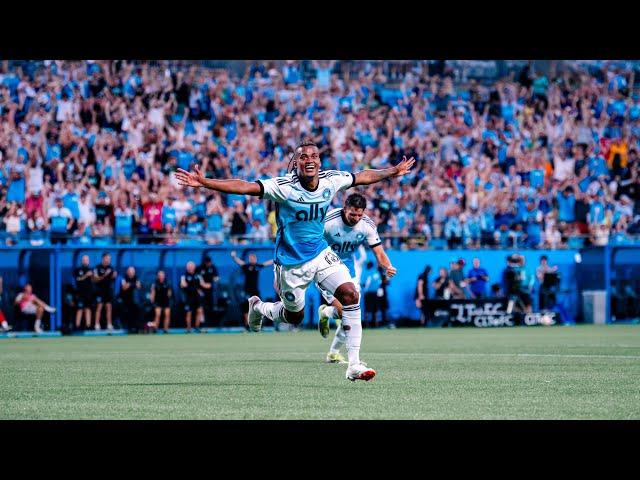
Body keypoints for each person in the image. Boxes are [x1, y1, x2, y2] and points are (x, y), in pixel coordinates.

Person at [175, 140, 414, 381]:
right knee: (294, 317)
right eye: (303, 157)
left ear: (319, 161)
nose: (309, 160)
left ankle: (353, 364)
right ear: (296, 163)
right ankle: (258, 307)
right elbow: (245, 187)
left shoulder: (331, 180)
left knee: (351, 295)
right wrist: (205, 182)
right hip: (291, 263)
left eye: (314, 156)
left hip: (321, 253)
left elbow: (362, 176)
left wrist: (393, 171)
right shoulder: (283, 187)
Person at [316, 193, 396, 363]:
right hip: (326, 267)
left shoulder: (367, 225)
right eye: (353, 214)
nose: (356, 218)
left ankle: (333, 350)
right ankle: (329, 319)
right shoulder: (329, 221)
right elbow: (311, 243)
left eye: (360, 214)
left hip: (348, 270)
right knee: (345, 312)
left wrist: (388, 266)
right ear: (345, 208)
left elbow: (379, 252)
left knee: (350, 313)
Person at [230, 250, 273, 330]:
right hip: (247, 291)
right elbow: (239, 262)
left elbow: (268, 263)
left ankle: (259, 325)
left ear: (256, 259)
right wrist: (234, 257)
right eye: (251, 258)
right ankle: (247, 326)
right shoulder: (246, 266)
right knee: (246, 309)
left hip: (255, 291)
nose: (252, 259)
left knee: (259, 308)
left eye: (254, 258)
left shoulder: (258, 266)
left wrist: (276, 258)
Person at [180, 261, 210, 333]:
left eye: (192, 266)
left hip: (197, 297)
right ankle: (188, 329)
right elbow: (182, 284)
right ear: (187, 268)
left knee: (199, 311)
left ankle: (197, 327)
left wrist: (208, 285)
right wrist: (183, 284)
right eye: (189, 266)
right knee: (189, 313)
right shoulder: (184, 276)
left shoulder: (198, 275)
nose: (190, 268)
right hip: (189, 297)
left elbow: (203, 284)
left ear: (194, 267)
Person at [93, 252, 117, 331]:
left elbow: (113, 279)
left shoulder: (111, 268)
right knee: (99, 307)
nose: (108, 260)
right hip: (100, 291)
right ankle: (97, 324)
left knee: (109, 307)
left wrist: (114, 276)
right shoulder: (97, 268)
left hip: (108, 291)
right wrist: (105, 275)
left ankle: (109, 324)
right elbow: (95, 279)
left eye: (109, 259)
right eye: (107, 258)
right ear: (103, 258)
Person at [197, 255, 219, 325]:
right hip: (201, 292)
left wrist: (212, 283)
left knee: (211, 307)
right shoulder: (200, 268)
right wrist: (202, 286)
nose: (209, 264)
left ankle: (212, 324)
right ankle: (202, 324)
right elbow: (198, 280)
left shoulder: (213, 267)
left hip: (211, 291)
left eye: (210, 262)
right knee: (201, 308)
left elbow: (216, 278)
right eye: (207, 262)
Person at [73, 255, 94, 330]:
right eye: (84, 260)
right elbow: (78, 279)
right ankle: (77, 326)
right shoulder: (78, 270)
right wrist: (86, 275)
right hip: (80, 293)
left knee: (88, 308)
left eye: (86, 260)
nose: (85, 261)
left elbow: (94, 280)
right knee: (80, 308)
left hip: (89, 293)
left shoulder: (91, 270)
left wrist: (92, 276)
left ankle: (88, 325)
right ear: (82, 261)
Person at [119, 266, 142, 332]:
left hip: (134, 300)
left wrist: (130, 284)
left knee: (137, 312)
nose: (131, 273)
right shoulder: (124, 278)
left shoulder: (136, 278)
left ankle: (136, 328)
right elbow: (124, 287)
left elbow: (138, 286)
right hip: (125, 300)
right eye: (130, 271)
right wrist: (132, 284)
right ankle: (128, 328)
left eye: (133, 271)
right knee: (127, 313)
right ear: (127, 272)